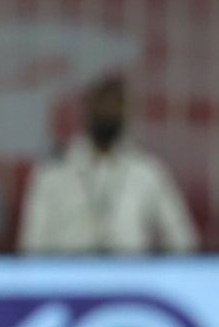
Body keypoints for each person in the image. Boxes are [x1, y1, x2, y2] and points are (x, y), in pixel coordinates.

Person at [18, 74, 198, 254]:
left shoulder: (147, 171)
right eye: (101, 106)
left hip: (130, 275)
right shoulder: (53, 172)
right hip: (69, 277)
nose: (107, 113)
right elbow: (31, 244)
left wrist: (156, 275)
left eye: (114, 107)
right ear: (87, 110)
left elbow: (182, 239)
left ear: (125, 113)